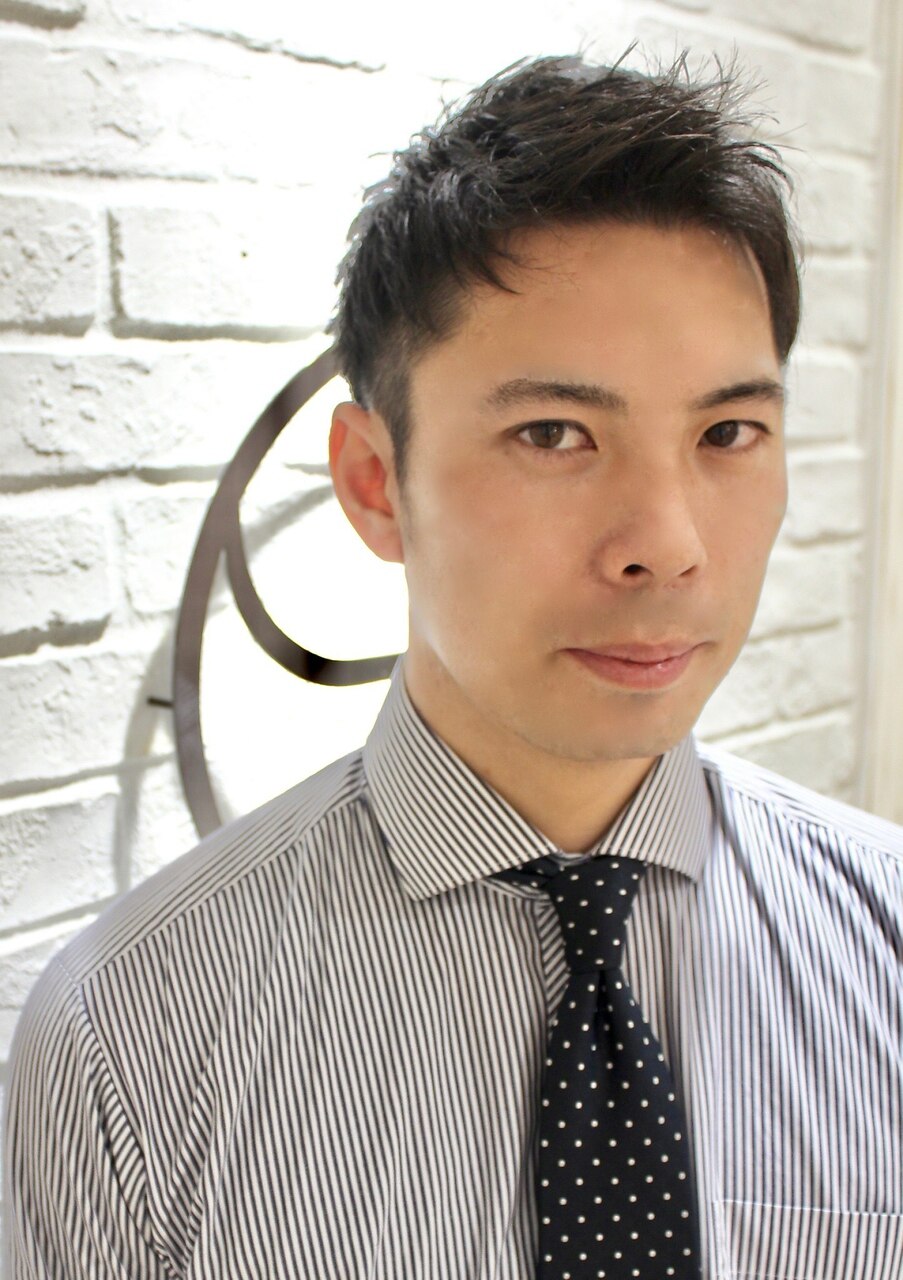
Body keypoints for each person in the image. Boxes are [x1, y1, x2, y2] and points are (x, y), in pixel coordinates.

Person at [4, 50, 902, 1280]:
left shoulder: (884, 941)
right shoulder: (128, 1040)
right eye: (555, 433)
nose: (669, 543)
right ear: (377, 482)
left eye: (728, 431)